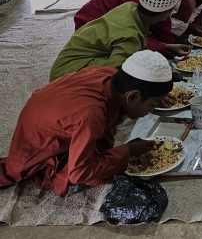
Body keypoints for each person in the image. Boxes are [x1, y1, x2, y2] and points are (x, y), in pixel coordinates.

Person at [1, 51, 173, 196]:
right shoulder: (91, 115)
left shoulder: (106, 73)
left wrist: (158, 95)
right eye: (153, 104)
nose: (152, 110)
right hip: (36, 144)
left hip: (48, 113)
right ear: (133, 96)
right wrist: (128, 150)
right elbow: (79, 174)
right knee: (96, 174)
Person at [51, 0, 182, 80]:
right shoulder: (129, 37)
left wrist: (165, 47)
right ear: (166, 13)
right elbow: (114, 75)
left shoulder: (129, 7)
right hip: (66, 77)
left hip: (64, 65)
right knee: (132, 74)